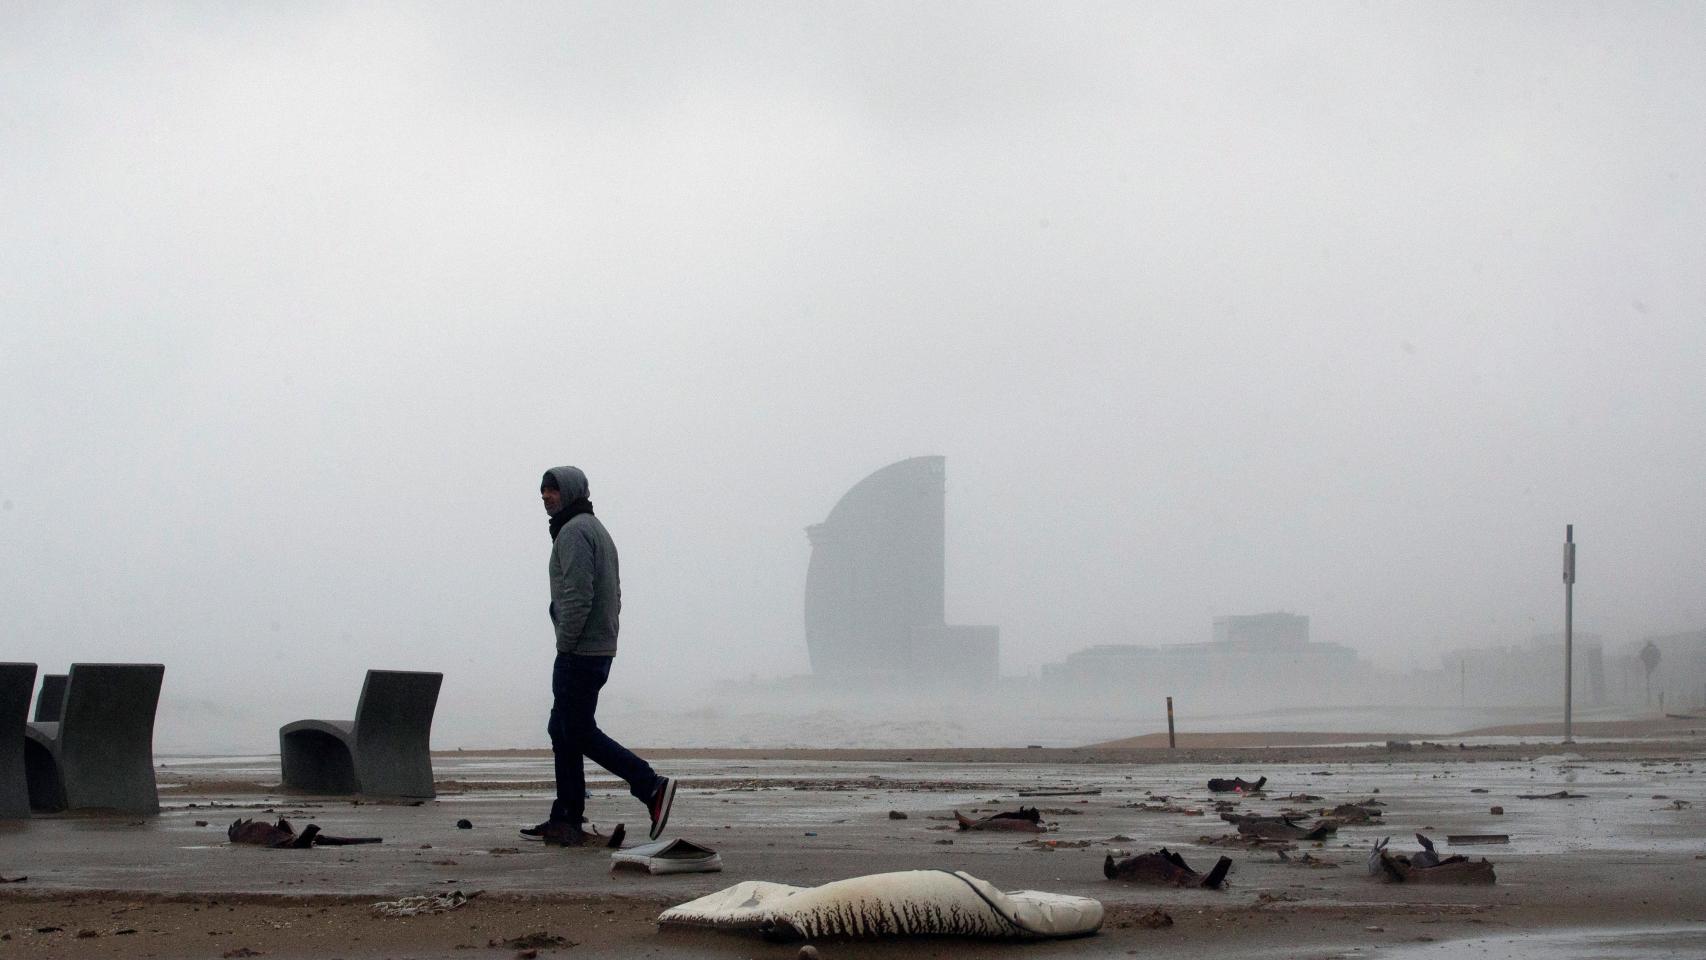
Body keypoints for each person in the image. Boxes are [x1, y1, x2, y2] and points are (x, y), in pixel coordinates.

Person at [521, 465, 675, 845]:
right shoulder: (593, 528)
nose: (546, 496)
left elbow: (578, 595)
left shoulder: (574, 533)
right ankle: (567, 817)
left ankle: (650, 785)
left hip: (581, 649)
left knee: (576, 730)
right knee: (562, 728)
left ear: (571, 492)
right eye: (542, 491)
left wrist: (566, 642)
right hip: (596, 646)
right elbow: (614, 593)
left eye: (553, 490)